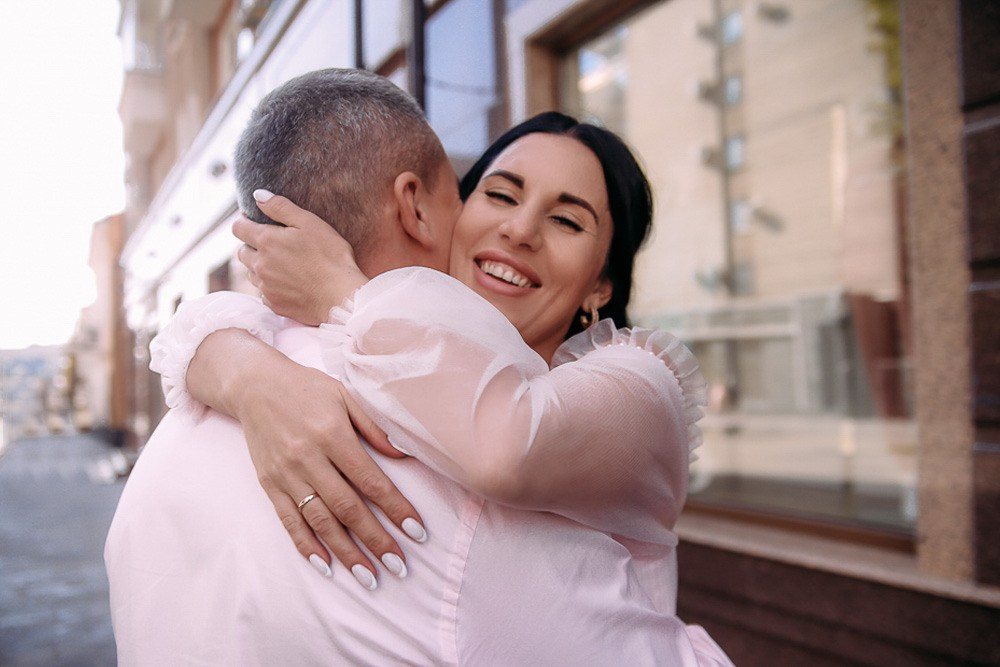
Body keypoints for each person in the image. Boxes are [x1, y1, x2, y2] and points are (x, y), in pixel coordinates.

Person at [106, 68, 731, 665]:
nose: (519, 230)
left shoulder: (638, 383)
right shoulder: (281, 361)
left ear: (601, 284)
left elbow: (506, 439)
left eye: (567, 220)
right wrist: (247, 374)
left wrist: (337, 290)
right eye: (499, 194)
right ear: (436, 211)